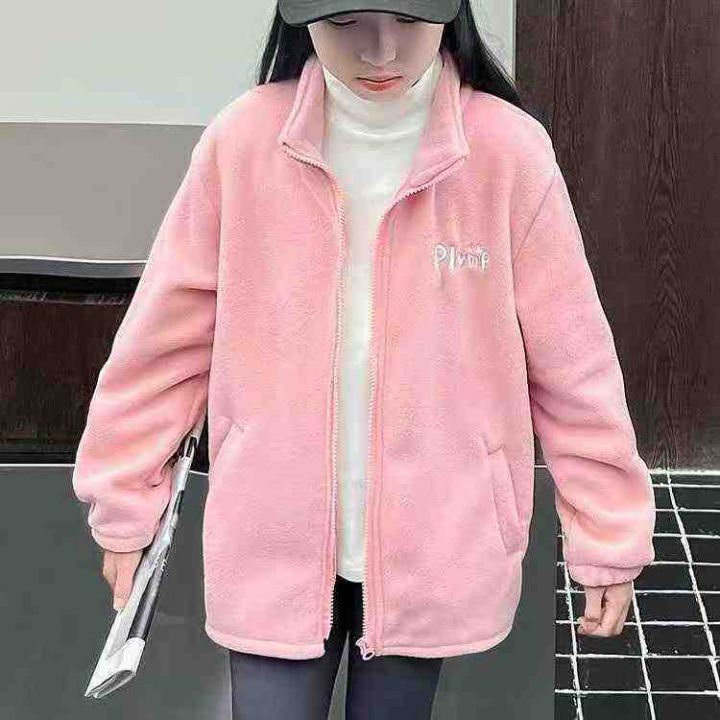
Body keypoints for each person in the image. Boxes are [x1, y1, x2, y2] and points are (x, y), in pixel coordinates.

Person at [72, 1, 657, 718]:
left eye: (407, 20)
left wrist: (607, 532)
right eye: (346, 22)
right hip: (270, 539)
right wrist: (125, 500)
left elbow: (575, 365)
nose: (380, 52)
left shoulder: (508, 153)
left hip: (437, 545)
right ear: (301, 19)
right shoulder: (242, 143)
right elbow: (162, 348)